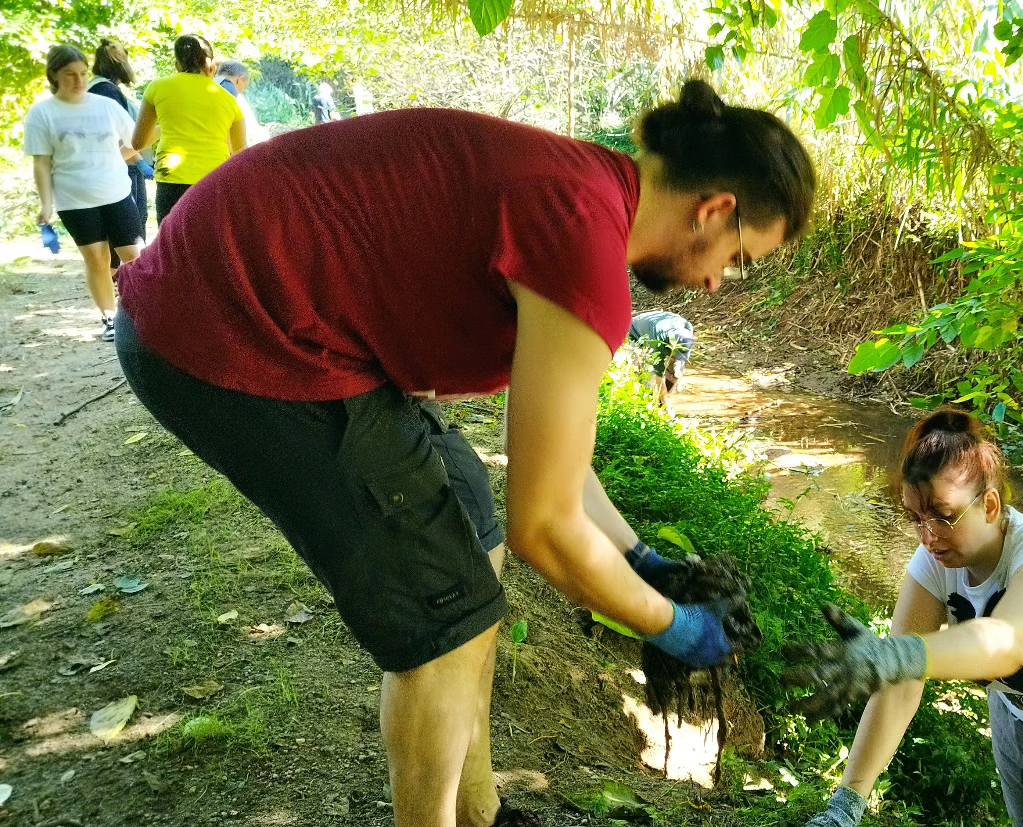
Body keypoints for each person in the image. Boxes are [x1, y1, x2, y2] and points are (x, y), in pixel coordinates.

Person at [114, 79, 814, 827]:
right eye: (738, 259)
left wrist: (640, 556)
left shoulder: (588, 197)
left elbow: (557, 466)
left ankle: (482, 813)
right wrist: (672, 626)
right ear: (714, 210)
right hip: (231, 323)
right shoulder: (581, 238)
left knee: (473, 523)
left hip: (268, 301)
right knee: (445, 613)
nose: (715, 283)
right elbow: (544, 527)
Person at [790, 410, 1023, 827]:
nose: (928, 536)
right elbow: (901, 684)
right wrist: (847, 804)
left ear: (989, 504)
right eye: (915, 518)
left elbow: (1005, 644)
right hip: (1018, 728)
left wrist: (899, 654)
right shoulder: (934, 562)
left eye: (942, 515)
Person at [24, 44, 144, 342]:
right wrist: (45, 205)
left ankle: (143, 311)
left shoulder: (105, 106)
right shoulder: (42, 114)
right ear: (54, 75)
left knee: (134, 256)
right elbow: (42, 163)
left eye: (82, 74)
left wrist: (135, 159)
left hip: (116, 192)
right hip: (74, 199)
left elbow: (135, 140)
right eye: (70, 75)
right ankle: (109, 318)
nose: (78, 81)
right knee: (96, 259)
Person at [131, 34, 244, 225]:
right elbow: (240, 153)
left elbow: (138, 143)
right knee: (208, 246)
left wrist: (167, 127)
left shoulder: (157, 88)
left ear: (177, 64)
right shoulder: (228, 100)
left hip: (171, 179)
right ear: (211, 66)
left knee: (172, 247)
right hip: (213, 182)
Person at [88, 39, 150, 270]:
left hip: (107, 169)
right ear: (119, 62)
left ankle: (118, 278)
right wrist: (139, 161)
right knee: (129, 230)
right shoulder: (106, 91)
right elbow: (117, 137)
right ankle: (127, 282)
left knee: (116, 231)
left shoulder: (96, 87)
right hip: (120, 169)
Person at [628, 309, 694, 403]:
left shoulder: (688, 329)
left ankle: (663, 398)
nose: (676, 356)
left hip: (658, 323)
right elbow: (659, 376)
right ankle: (642, 400)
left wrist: (678, 377)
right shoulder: (658, 342)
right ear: (670, 345)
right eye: (675, 353)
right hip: (635, 331)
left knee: (674, 371)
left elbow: (680, 364)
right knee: (640, 370)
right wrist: (665, 404)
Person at [215, 60, 271, 145]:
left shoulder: (211, 83)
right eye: (244, 87)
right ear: (240, 80)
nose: (241, 92)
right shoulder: (228, 87)